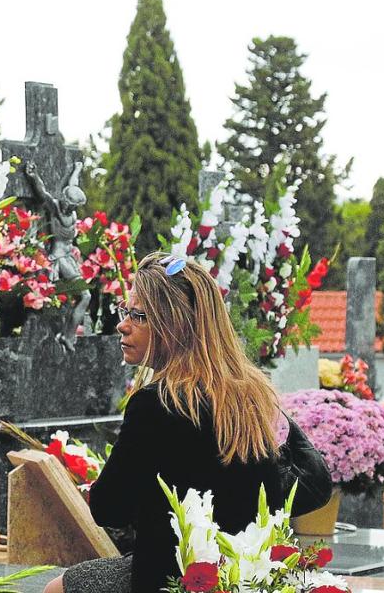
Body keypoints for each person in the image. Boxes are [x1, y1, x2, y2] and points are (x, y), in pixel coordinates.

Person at [46, 252, 333, 593]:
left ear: (175, 326)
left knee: (58, 588)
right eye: (127, 311)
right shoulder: (252, 392)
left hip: (172, 578)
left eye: (140, 316)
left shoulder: (156, 403)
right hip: (244, 577)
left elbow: (109, 510)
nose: (123, 325)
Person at [21, 161, 89, 353]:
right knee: (79, 296)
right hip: (58, 258)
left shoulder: (72, 213)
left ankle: (68, 335)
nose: (71, 206)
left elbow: (73, 184)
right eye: (70, 203)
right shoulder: (56, 208)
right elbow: (43, 194)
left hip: (70, 257)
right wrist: (34, 176)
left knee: (85, 296)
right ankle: (63, 336)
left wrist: (76, 168)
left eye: (75, 205)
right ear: (65, 200)